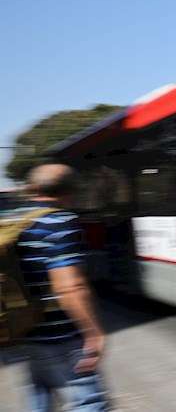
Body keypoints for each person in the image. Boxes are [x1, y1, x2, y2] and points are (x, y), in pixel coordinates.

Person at [14, 164, 109, 411]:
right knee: (90, 403)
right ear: (69, 192)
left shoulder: (16, 222)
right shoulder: (59, 222)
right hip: (64, 338)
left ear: (34, 189)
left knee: (41, 400)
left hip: (28, 332)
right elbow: (69, 286)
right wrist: (93, 333)